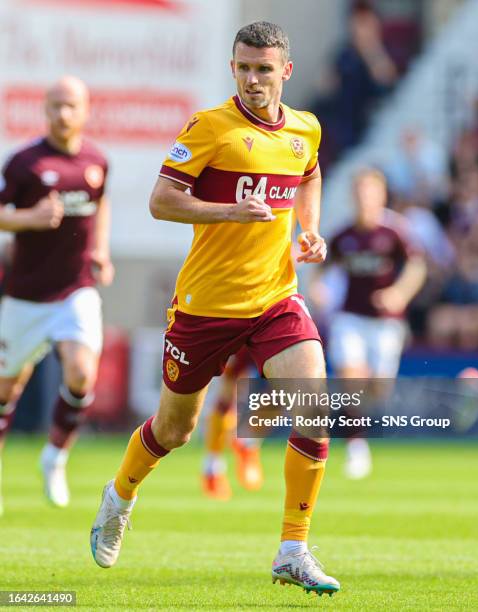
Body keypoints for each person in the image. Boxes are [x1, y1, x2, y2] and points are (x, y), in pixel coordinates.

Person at [90, 21, 340, 597]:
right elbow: (161, 201)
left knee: (315, 408)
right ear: (234, 68)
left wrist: (309, 230)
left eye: (264, 69)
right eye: (244, 68)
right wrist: (233, 211)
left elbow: (310, 171)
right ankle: (120, 495)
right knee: (175, 430)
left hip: (276, 297)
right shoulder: (210, 127)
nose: (253, 80)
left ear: (286, 71)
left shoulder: (305, 128)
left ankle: (293, 549)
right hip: (206, 306)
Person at [0, 76, 113, 513]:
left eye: (70, 106)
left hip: (75, 290)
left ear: (85, 110)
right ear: (45, 110)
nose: (62, 114)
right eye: (55, 106)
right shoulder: (24, 163)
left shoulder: (97, 160)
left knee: (82, 373)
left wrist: (100, 250)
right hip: (25, 297)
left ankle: (55, 456)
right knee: (6, 390)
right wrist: (32, 218)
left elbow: (101, 203)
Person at [309, 168, 426, 478]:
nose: (365, 198)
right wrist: (318, 287)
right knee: (352, 380)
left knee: (378, 390)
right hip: (350, 318)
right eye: (360, 192)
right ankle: (356, 447)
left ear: (382, 195)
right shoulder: (343, 235)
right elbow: (321, 267)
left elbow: (417, 266)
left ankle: (350, 423)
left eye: (371, 192)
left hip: (386, 323)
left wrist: (399, 292)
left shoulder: (394, 232)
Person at [201, 346, 263, 501]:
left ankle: (246, 444)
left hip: (269, 325)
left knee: (284, 383)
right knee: (225, 397)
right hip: (233, 328)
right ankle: (213, 468)